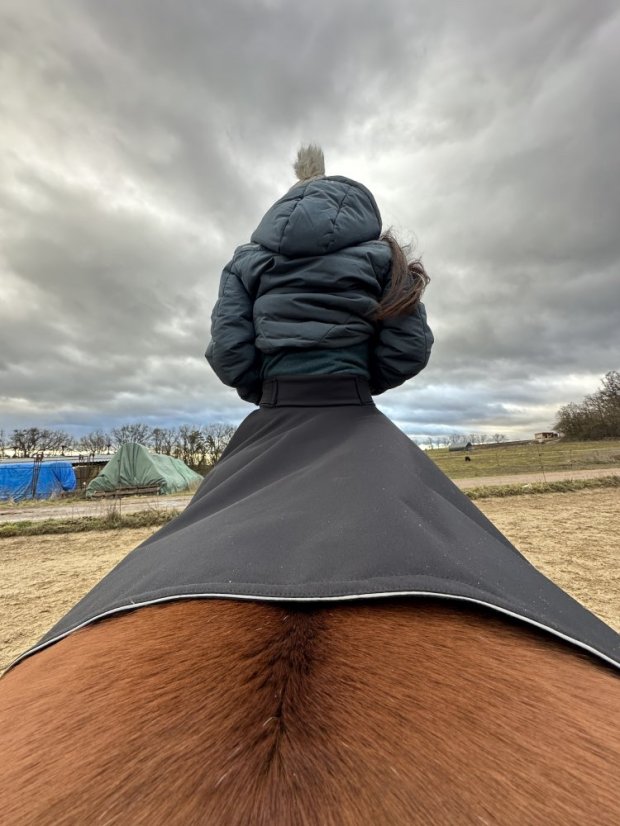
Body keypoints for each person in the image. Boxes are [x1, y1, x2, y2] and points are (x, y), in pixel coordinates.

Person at [206, 145, 433, 404]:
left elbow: (228, 349)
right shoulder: (385, 257)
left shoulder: (243, 262)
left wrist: (268, 394)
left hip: (277, 400)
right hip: (353, 398)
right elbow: (409, 346)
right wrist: (360, 386)